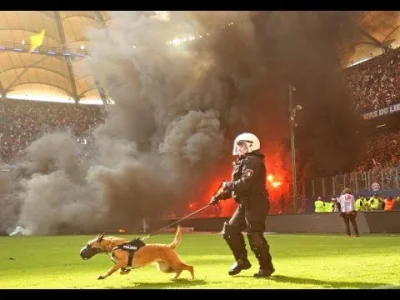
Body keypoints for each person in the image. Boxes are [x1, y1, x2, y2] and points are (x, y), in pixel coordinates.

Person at [209, 132, 275, 278]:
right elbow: (237, 188)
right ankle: (242, 261)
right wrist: (220, 196)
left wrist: (228, 185)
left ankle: (266, 267)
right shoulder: (244, 162)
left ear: (251, 145)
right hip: (245, 203)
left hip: (256, 203)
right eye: (238, 145)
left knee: (254, 236)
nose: (239, 148)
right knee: (230, 232)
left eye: (242, 145)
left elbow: (245, 183)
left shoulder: (253, 161)